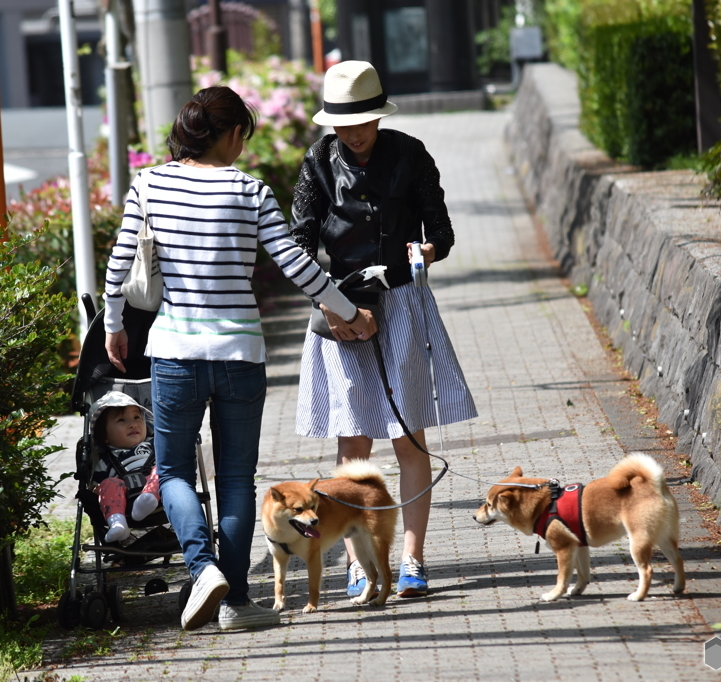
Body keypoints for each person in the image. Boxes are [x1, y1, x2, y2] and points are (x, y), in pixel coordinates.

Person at [103, 86, 376, 632]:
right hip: (240, 354)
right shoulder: (249, 190)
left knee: (176, 471)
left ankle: (202, 568)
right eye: (242, 138)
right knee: (234, 479)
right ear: (232, 135)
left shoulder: (148, 183)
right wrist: (349, 311)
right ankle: (236, 603)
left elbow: (119, 263)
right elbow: (296, 264)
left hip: (176, 351)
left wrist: (113, 325)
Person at [290, 61, 478, 598]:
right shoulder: (318, 162)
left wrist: (428, 249)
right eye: (343, 124)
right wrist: (327, 302)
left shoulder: (410, 154)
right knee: (353, 443)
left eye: (363, 121)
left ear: (379, 115)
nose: (353, 133)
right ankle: (358, 563)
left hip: (402, 303)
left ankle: (413, 560)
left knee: (409, 435)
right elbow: (299, 242)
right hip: (342, 307)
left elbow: (440, 228)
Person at [89, 391, 160, 543]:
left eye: (136, 417)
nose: (133, 424)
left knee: (162, 469)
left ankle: (148, 498)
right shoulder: (106, 461)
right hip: (124, 497)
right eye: (121, 420)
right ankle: (117, 523)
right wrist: (97, 488)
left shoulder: (155, 444)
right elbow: (97, 486)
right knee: (107, 484)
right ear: (105, 436)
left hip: (158, 495)